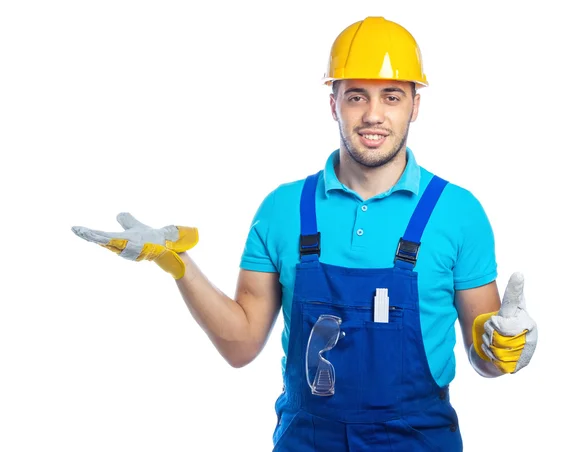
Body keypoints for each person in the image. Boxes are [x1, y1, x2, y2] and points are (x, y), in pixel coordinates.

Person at [72, 16, 538, 451]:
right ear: (333, 102)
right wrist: (177, 265)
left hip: (418, 440)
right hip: (306, 441)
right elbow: (240, 345)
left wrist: (504, 345)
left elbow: (485, 358)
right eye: (357, 95)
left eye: (391, 96)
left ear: (415, 105)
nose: (373, 114)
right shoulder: (283, 211)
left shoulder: (457, 213)